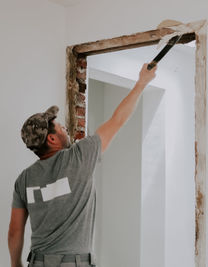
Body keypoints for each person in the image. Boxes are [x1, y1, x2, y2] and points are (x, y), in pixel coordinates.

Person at [8, 63, 157, 267]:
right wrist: (142, 82)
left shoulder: (24, 179)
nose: (65, 129)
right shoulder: (79, 157)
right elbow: (118, 119)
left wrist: (15, 264)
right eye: (60, 127)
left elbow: (15, 231)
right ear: (52, 139)